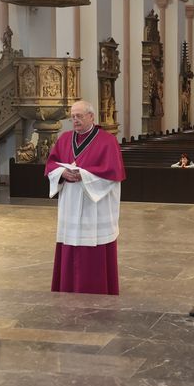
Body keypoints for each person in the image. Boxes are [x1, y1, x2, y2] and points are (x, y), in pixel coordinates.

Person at [46, 100, 126, 295]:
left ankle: (96, 289)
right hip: (70, 202)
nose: (75, 120)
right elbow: (51, 164)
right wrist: (62, 173)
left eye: (79, 116)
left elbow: (113, 173)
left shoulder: (107, 141)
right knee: (70, 244)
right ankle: (68, 287)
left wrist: (84, 175)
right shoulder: (65, 139)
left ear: (91, 117)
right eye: (72, 117)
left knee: (93, 251)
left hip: (94, 206)